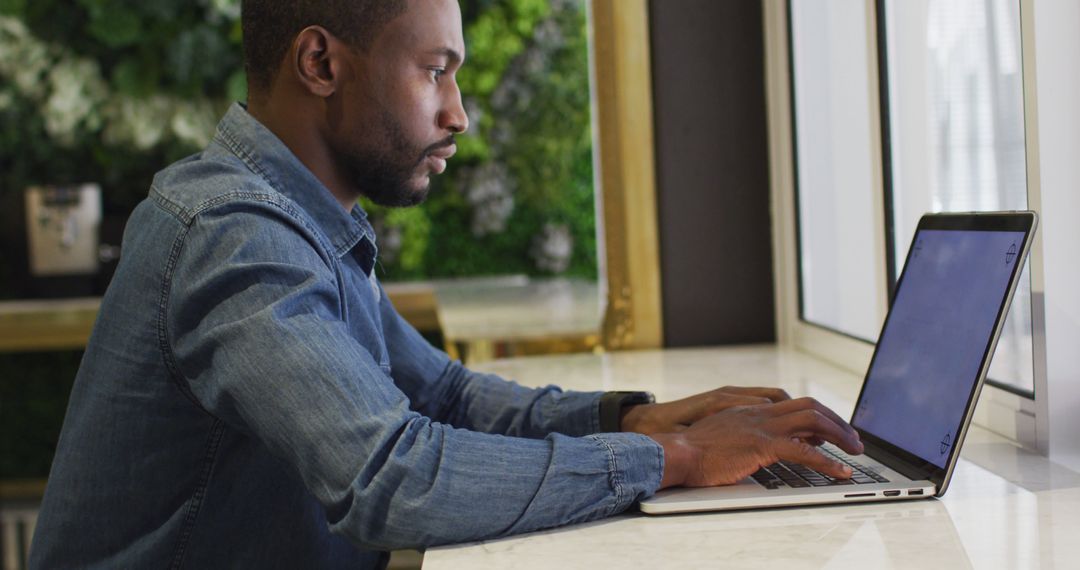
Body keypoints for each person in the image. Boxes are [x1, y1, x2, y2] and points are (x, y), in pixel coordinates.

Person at [29, 1, 862, 568]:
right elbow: (394, 480)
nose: (458, 113)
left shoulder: (295, 221)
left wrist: (631, 416)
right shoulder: (235, 235)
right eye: (435, 71)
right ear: (321, 60)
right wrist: (670, 458)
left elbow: (443, 396)